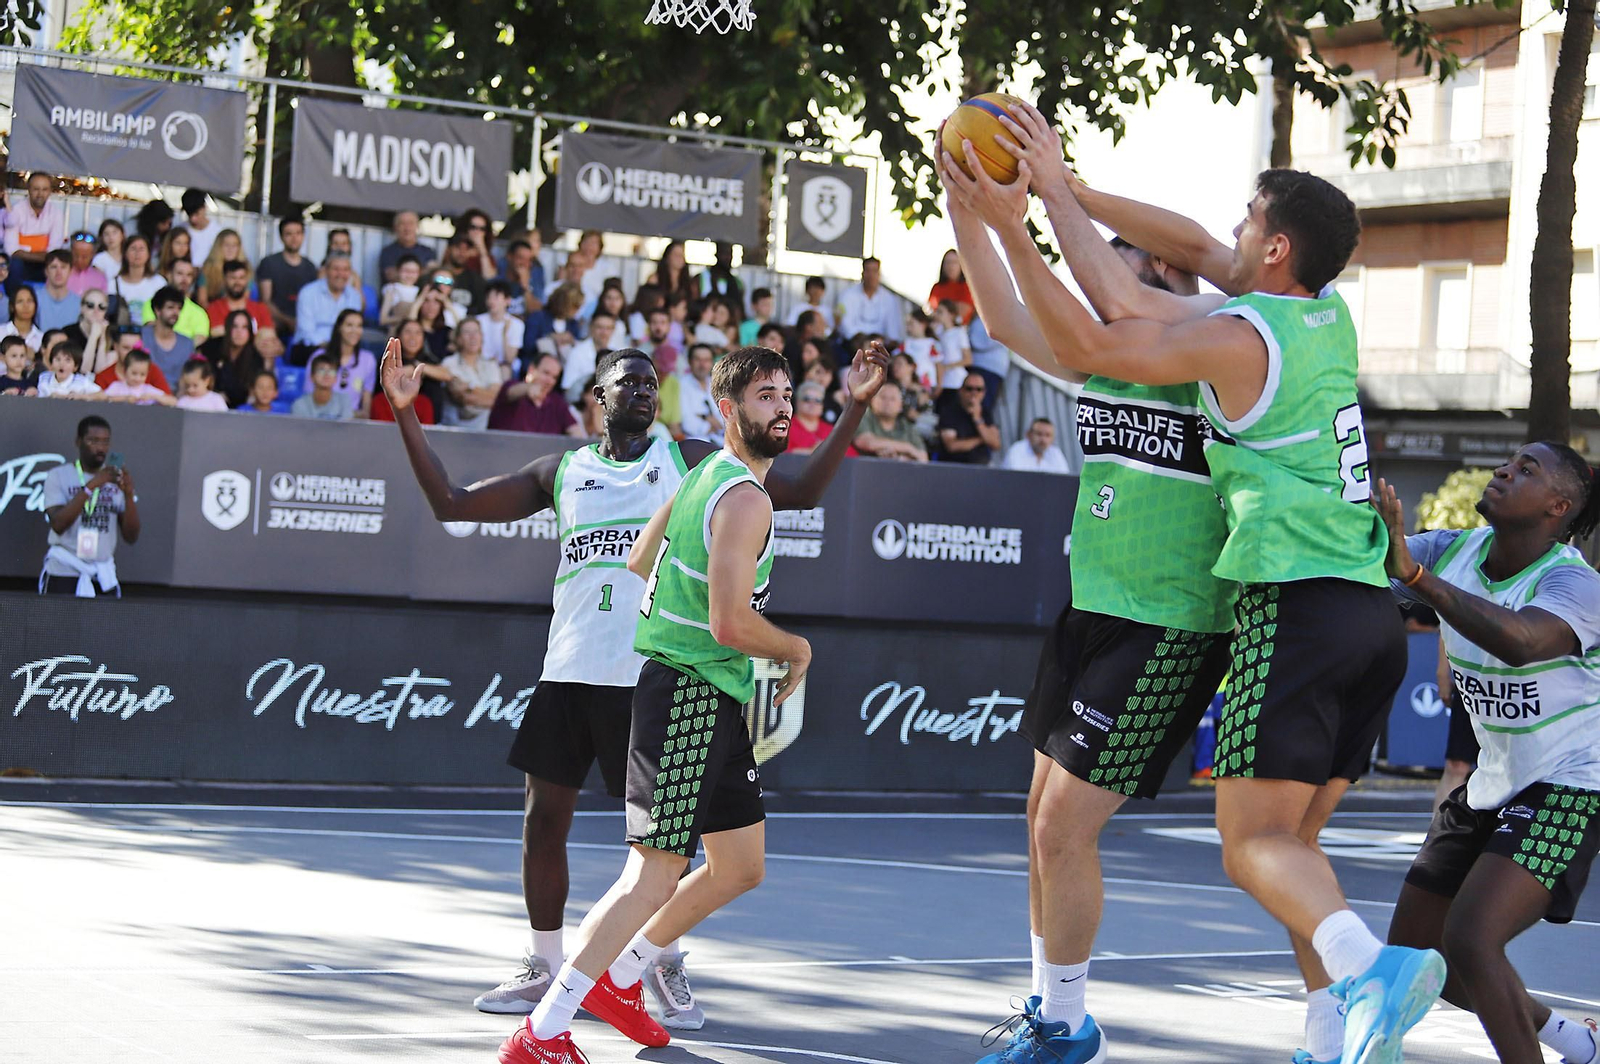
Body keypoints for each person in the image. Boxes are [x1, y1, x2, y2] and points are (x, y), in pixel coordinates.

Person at [952, 103, 1438, 1064]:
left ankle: (1074, 1022)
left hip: (1208, 615)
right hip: (1179, 603)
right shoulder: (1293, 317)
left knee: (1180, 836)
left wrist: (1036, 209)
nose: (1192, 255)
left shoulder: (1218, 341)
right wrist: (986, 202)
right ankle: (1329, 1027)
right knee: (1273, 844)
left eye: (1242, 233)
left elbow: (1116, 317)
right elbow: (1026, 314)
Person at [385, 339, 885, 1035]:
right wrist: (407, 413)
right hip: (603, 671)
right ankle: (550, 993)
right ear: (599, 396)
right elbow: (452, 502)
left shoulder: (687, 463)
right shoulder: (567, 471)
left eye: (654, 382)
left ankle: (646, 965)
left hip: (661, 676)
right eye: (631, 381)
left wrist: (855, 407)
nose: (646, 390)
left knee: (699, 859)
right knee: (604, 846)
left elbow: (749, 511)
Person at [1375, 453, 1600, 1064]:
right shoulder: (1452, 550)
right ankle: (1573, 1041)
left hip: (1572, 785)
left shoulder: (1574, 583)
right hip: (1490, 782)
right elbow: (1363, 559)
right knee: (1419, 961)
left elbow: (1524, 641)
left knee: (1473, 940)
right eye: (1506, 464)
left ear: (1560, 507)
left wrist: (1417, 581)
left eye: (1526, 470)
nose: (1503, 472)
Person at [39, 415, 139, 596]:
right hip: (64, 570)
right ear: (78, 442)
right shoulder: (58, 476)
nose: (100, 448)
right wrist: (92, 485)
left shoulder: (116, 480)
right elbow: (58, 524)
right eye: (93, 441)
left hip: (102, 574)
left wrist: (129, 495)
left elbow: (131, 536)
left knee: (103, 625)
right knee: (57, 625)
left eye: (105, 442)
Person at [488, 353, 583, 436]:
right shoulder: (510, 387)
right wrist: (528, 388)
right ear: (531, 370)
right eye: (546, 373)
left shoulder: (557, 402)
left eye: (554, 377)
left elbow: (575, 432)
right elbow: (512, 392)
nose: (550, 381)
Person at [291, 252, 364, 359]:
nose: (340, 274)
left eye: (345, 270)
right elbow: (306, 332)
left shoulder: (354, 296)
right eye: (336, 269)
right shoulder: (308, 293)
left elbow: (354, 327)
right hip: (310, 347)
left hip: (342, 348)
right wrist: (332, 346)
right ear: (326, 270)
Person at [257, 217, 319, 339]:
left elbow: (314, 303)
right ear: (281, 237)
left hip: (304, 325)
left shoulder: (310, 267)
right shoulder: (269, 263)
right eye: (289, 234)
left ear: (303, 236)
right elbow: (265, 301)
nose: (294, 238)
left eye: (298, 233)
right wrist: (288, 321)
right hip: (275, 323)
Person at [315, 308, 377, 417]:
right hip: (321, 419)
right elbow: (311, 395)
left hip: (352, 422)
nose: (355, 330)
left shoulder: (368, 360)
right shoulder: (320, 356)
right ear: (339, 327)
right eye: (349, 325)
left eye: (359, 326)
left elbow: (366, 407)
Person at [440, 318, 501, 430]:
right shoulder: (449, 363)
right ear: (458, 339)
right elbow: (466, 399)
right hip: (460, 428)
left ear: (482, 337)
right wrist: (492, 399)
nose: (473, 337)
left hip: (490, 427)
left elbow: (498, 397)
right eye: (467, 332)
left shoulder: (491, 364)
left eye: (476, 332)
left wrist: (470, 387)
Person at [5, 173, 67, 280]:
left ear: (50, 191)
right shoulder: (16, 211)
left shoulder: (56, 213)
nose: (40, 194)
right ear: (28, 189)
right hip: (21, 263)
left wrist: (26, 252)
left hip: (44, 264)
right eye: (36, 189)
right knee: (14, 265)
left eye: (44, 189)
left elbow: (54, 251)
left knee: (59, 265)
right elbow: (11, 250)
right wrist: (42, 255)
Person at [201, 309, 267, 408]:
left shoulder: (256, 358)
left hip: (242, 410)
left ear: (250, 332)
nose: (239, 332)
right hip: (211, 404)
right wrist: (214, 396)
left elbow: (254, 390)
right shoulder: (211, 347)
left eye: (244, 327)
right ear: (228, 328)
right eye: (234, 326)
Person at [852, 380, 927, 461]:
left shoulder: (906, 425)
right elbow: (866, 442)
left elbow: (923, 458)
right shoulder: (864, 416)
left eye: (892, 399)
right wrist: (907, 447)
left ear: (901, 405)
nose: (887, 402)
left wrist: (901, 459)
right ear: (872, 400)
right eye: (883, 397)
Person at [936, 371, 999, 464]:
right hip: (954, 466)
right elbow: (952, 446)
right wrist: (981, 439)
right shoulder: (950, 412)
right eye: (969, 389)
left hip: (981, 466)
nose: (974, 393)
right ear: (961, 390)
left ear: (984, 392)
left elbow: (995, 444)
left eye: (979, 389)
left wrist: (977, 419)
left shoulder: (985, 413)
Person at [836, 256, 903, 343]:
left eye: (874, 271)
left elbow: (892, 330)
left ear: (879, 274)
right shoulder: (848, 295)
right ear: (862, 273)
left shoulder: (889, 298)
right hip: (854, 343)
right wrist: (862, 341)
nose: (871, 275)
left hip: (879, 344)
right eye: (868, 271)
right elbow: (846, 325)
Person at [140, 287, 196, 384]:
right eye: (170, 307)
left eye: (179, 308)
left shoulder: (187, 343)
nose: (175, 312)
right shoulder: (141, 337)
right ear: (157, 310)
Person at [560, 311, 617, 405]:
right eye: (599, 327)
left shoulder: (620, 352)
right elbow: (568, 388)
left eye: (608, 328)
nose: (604, 332)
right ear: (591, 328)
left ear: (613, 330)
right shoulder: (577, 353)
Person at [206, 260, 273, 336]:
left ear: (247, 281)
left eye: (241, 278)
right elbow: (217, 336)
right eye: (233, 278)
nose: (237, 282)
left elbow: (269, 336)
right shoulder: (214, 308)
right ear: (224, 280)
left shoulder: (261, 309)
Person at [787, 380, 854, 456]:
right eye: (807, 399)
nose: (812, 404)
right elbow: (780, 456)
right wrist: (813, 452)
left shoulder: (832, 431)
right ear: (797, 402)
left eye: (818, 400)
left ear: (822, 405)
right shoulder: (786, 428)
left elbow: (851, 456)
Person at [677, 344, 725, 445]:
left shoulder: (716, 383)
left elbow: (725, 417)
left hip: (721, 439)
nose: (702, 365)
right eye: (697, 360)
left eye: (706, 360)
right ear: (690, 362)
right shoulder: (681, 385)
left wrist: (704, 418)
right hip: (696, 443)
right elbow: (687, 423)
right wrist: (710, 425)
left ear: (712, 363)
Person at [63, 289, 116, 378]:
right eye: (90, 306)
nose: (96, 310)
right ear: (82, 308)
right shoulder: (68, 332)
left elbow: (102, 373)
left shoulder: (112, 333)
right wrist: (93, 337)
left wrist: (103, 338)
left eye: (101, 307)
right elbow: (83, 371)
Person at [113, 235, 164, 325]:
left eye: (141, 249)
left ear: (148, 254)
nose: (137, 253)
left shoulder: (159, 282)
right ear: (125, 253)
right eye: (133, 249)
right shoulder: (113, 284)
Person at [477, 280, 526, 369]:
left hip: (504, 367)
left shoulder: (517, 324)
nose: (491, 301)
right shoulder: (478, 321)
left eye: (496, 297)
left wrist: (505, 334)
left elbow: (510, 359)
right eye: (489, 297)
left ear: (508, 300)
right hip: (481, 364)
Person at [291, 354, 356, 420]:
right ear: (312, 377)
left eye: (331, 371)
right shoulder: (299, 404)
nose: (326, 375)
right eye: (321, 370)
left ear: (335, 378)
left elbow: (346, 429)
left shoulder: (344, 402)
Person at [103, 349, 176, 406]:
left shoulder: (148, 389)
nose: (138, 378)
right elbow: (104, 399)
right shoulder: (116, 386)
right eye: (134, 373)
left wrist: (154, 397)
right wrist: (124, 399)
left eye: (142, 374)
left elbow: (173, 402)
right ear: (125, 371)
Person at [378, 210, 434, 283]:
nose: (407, 228)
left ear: (417, 227)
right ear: (396, 227)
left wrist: (403, 273)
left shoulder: (428, 252)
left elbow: (432, 275)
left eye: (411, 224)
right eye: (402, 224)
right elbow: (391, 275)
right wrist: (423, 271)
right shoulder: (388, 252)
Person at [1003, 418, 1071, 474]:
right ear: (1028, 435)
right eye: (1039, 434)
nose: (1043, 440)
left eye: (1047, 435)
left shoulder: (1056, 453)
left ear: (1053, 438)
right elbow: (1015, 480)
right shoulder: (1017, 451)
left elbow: (1064, 479)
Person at [37, 342, 102, 399]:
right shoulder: (43, 377)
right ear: (51, 363)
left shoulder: (81, 381)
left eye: (68, 360)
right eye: (58, 359)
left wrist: (82, 397)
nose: (62, 364)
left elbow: (102, 395)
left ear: (75, 366)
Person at [197, 228, 244, 306]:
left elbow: (244, 299)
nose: (230, 249)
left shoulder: (246, 270)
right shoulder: (208, 269)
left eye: (234, 245)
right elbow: (202, 301)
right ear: (218, 247)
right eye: (226, 245)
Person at [37, 249, 82, 332]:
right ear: (46, 271)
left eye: (63, 267)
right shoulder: (35, 299)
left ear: (70, 271)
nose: (58, 272)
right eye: (53, 267)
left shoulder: (79, 302)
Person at [697, 241, 745, 317]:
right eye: (724, 253)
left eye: (730, 254)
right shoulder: (702, 278)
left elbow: (739, 309)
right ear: (716, 255)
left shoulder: (737, 282)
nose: (728, 258)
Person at [502, 236, 544, 317]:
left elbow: (536, 312)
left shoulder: (534, 284)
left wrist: (525, 287)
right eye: (520, 258)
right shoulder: (499, 282)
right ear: (509, 257)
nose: (525, 264)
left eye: (528, 260)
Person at [929, 247, 975, 322]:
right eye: (948, 262)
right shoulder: (937, 288)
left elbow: (962, 312)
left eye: (954, 262)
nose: (951, 266)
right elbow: (931, 310)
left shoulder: (967, 287)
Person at [380, 254, 423, 330]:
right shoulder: (391, 289)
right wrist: (405, 319)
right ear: (398, 271)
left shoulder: (421, 291)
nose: (409, 275)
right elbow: (383, 319)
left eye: (414, 272)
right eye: (406, 271)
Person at [651, 240, 698, 306]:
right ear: (667, 257)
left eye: (682, 255)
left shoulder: (689, 282)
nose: (680, 258)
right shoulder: (655, 279)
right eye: (676, 255)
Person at [182, 189, 220, 268]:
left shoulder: (218, 231)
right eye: (189, 215)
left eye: (196, 214)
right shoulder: (181, 230)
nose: (193, 219)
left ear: (204, 208)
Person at [1, 285, 43, 353]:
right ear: (12, 307)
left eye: (29, 301)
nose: (25, 306)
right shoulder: (1, 333)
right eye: (20, 301)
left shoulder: (41, 338)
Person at [66, 231, 108, 296]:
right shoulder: (61, 274)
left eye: (84, 257)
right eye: (76, 255)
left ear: (92, 255)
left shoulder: (99, 278)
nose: (79, 260)